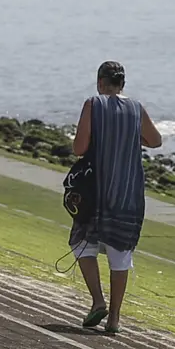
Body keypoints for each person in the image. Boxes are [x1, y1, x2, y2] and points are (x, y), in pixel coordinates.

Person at [70, 61, 162, 334]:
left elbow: (79, 147)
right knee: (120, 252)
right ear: (123, 84)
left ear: (100, 82)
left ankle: (98, 300)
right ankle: (115, 318)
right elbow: (155, 140)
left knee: (82, 243)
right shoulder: (136, 107)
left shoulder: (93, 104)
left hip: (98, 188)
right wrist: (133, 139)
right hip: (128, 190)